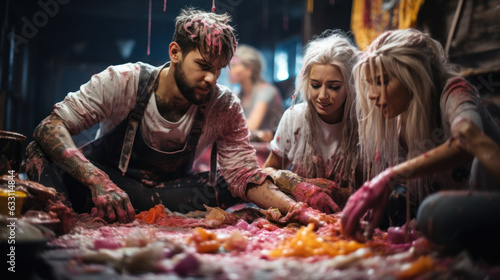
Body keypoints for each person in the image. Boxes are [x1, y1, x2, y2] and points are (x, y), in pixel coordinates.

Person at [24, 8, 330, 227]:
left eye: (218, 69)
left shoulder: (223, 104)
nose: (211, 79)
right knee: (38, 151)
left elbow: (242, 176)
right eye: (202, 65)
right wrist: (97, 181)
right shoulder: (124, 81)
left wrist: (300, 211)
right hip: (111, 187)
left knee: (235, 180)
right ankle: (58, 218)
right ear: (174, 52)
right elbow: (51, 125)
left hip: (170, 194)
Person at [341, 28, 500, 241]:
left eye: (382, 82)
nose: (371, 95)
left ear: (413, 77)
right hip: (468, 210)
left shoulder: (455, 92)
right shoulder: (401, 120)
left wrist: (388, 176)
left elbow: (467, 140)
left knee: (432, 212)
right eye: (370, 84)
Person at [262, 30, 361, 214]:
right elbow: (267, 172)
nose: (322, 96)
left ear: (351, 86)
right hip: (301, 219)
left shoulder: (364, 123)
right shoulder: (294, 117)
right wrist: (299, 185)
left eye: (334, 87)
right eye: (315, 85)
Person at [229, 44, 284, 142]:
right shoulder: (238, 95)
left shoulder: (267, 91)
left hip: (273, 152)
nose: (229, 70)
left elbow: (252, 126)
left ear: (249, 70)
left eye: (234, 66)